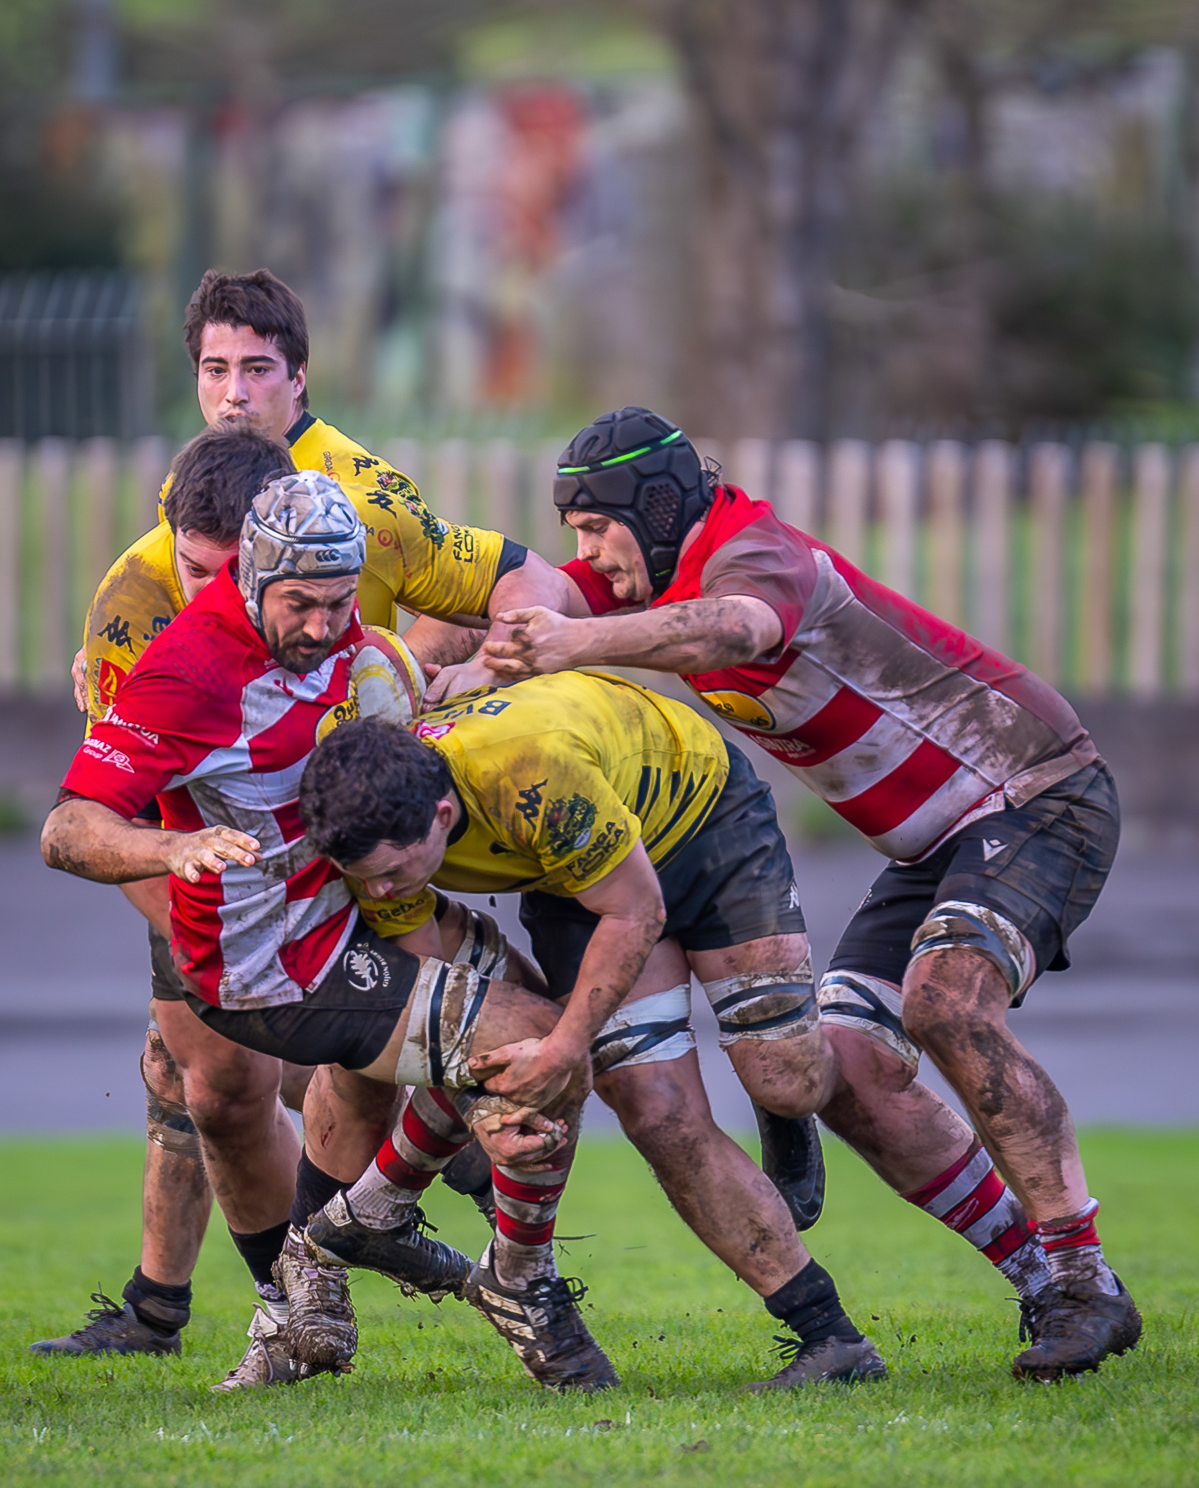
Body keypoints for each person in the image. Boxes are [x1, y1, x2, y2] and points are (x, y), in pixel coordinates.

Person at [480, 406, 1141, 1383]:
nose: (585, 554)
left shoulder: (754, 551)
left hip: (1034, 788)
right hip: (931, 846)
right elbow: (517, 592)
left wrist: (573, 645)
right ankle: (1047, 1282)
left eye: (595, 529)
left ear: (656, 509)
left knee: (944, 1003)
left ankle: (1081, 1275)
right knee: (845, 1066)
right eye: (574, 532)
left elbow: (732, 627)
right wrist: (442, 655)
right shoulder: (639, 575)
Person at [41, 263, 574, 1373]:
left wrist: (434, 676)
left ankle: (369, 1257)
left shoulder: (367, 504)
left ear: (299, 376)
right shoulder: (152, 599)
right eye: (211, 370)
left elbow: (526, 594)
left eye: (254, 368)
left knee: (483, 1041)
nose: (232, 392)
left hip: (352, 863)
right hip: (229, 882)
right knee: (216, 1080)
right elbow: (89, 816)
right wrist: (193, 879)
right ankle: (274, 1295)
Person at [297, 680, 888, 1391]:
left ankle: (779, 1102)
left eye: (393, 873)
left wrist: (566, 1044)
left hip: (701, 812)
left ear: (442, 815)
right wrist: (495, 1086)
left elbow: (636, 909)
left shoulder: (529, 774)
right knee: (654, 1110)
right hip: (574, 875)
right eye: (367, 880)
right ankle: (831, 1339)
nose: (382, 893)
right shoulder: (372, 854)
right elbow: (459, 996)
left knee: (785, 1076)